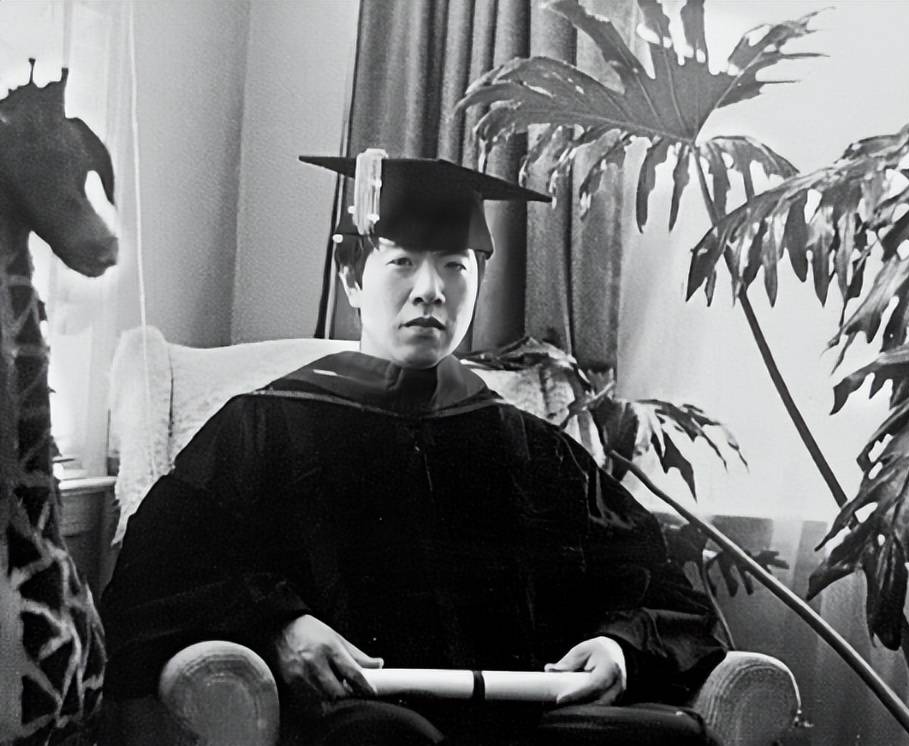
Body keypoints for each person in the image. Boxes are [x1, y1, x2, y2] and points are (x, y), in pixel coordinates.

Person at [101, 151, 727, 745]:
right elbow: (156, 577)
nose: (431, 289)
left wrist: (618, 645)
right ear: (352, 279)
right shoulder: (266, 426)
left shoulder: (531, 448)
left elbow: (661, 591)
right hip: (352, 721)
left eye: (455, 265)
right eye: (402, 262)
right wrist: (279, 625)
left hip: (522, 722)